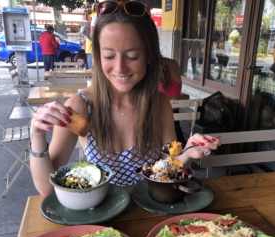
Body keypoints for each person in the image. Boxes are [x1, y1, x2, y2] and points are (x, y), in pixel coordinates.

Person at [30, 0, 220, 197]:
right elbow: (47, 188)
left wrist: (187, 153)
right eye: (109, 56)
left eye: (132, 56)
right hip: (101, 219)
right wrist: (36, 134)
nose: (120, 68)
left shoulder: (158, 103)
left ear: (148, 55)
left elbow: (166, 167)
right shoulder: (80, 106)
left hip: (147, 211)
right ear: (98, 56)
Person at [158, 56, 187, 145]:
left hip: (157, 115)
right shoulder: (174, 63)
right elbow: (179, 89)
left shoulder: (147, 67)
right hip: (175, 113)